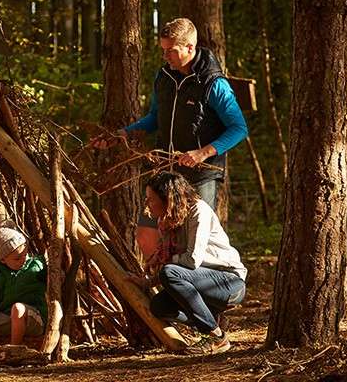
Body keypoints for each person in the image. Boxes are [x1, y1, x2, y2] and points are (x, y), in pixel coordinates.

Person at [91, 18, 248, 256]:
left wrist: (202, 153)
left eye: (171, 51)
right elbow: (155, 118)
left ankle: (193, 289)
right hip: (165, 171)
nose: (166, 57)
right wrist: (123, 134)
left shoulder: (214, 83)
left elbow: (239, 128)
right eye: (163, 50)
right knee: (147, 235)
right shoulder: (163, 77)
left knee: (194, 246)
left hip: (200, 176)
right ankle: (156, 288)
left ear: (189, 48)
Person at [130, 171, 246, 355]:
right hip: (199, 282)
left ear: (167, 198)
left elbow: (191, 261)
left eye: (151, 199)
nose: (147, 205)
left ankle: (215, 335)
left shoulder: (198, 211)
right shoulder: (169, 220)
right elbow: (177, 268)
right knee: (159, 307)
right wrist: (148, 283)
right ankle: (210, 321)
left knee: (170, 272)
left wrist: (165, 268)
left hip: (229, 283)